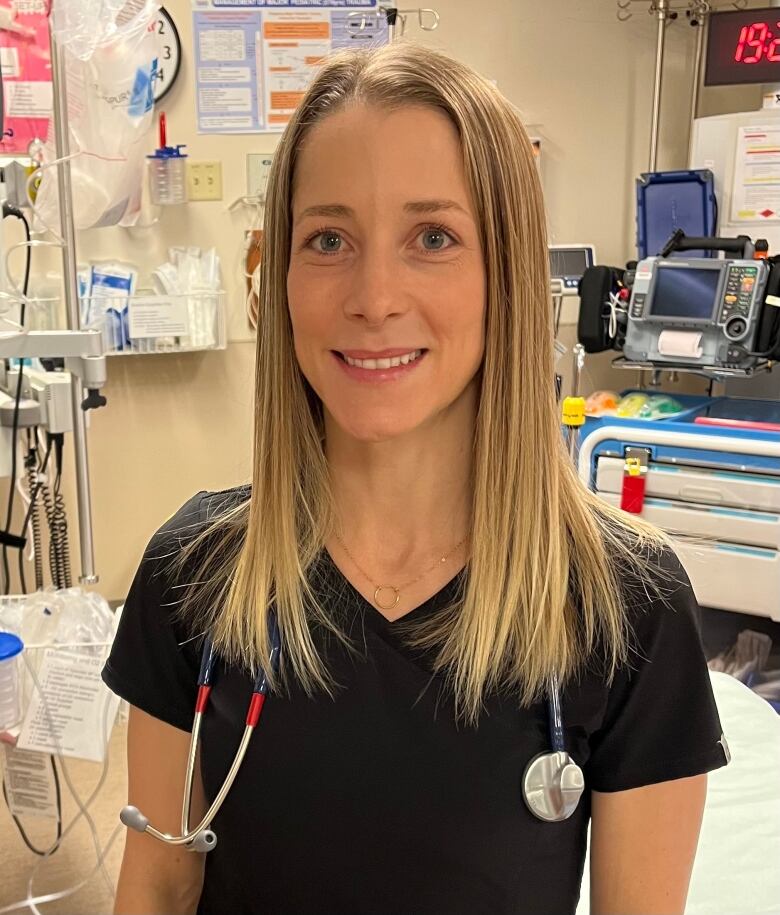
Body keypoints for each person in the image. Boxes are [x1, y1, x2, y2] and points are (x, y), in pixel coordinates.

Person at [103, 42, 728, 915]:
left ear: (505, 274)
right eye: (329, 238)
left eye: (432, 237)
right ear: (280, 277)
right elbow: (159, 890)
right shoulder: (194, 579)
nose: (374, 294)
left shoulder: (625, 605)